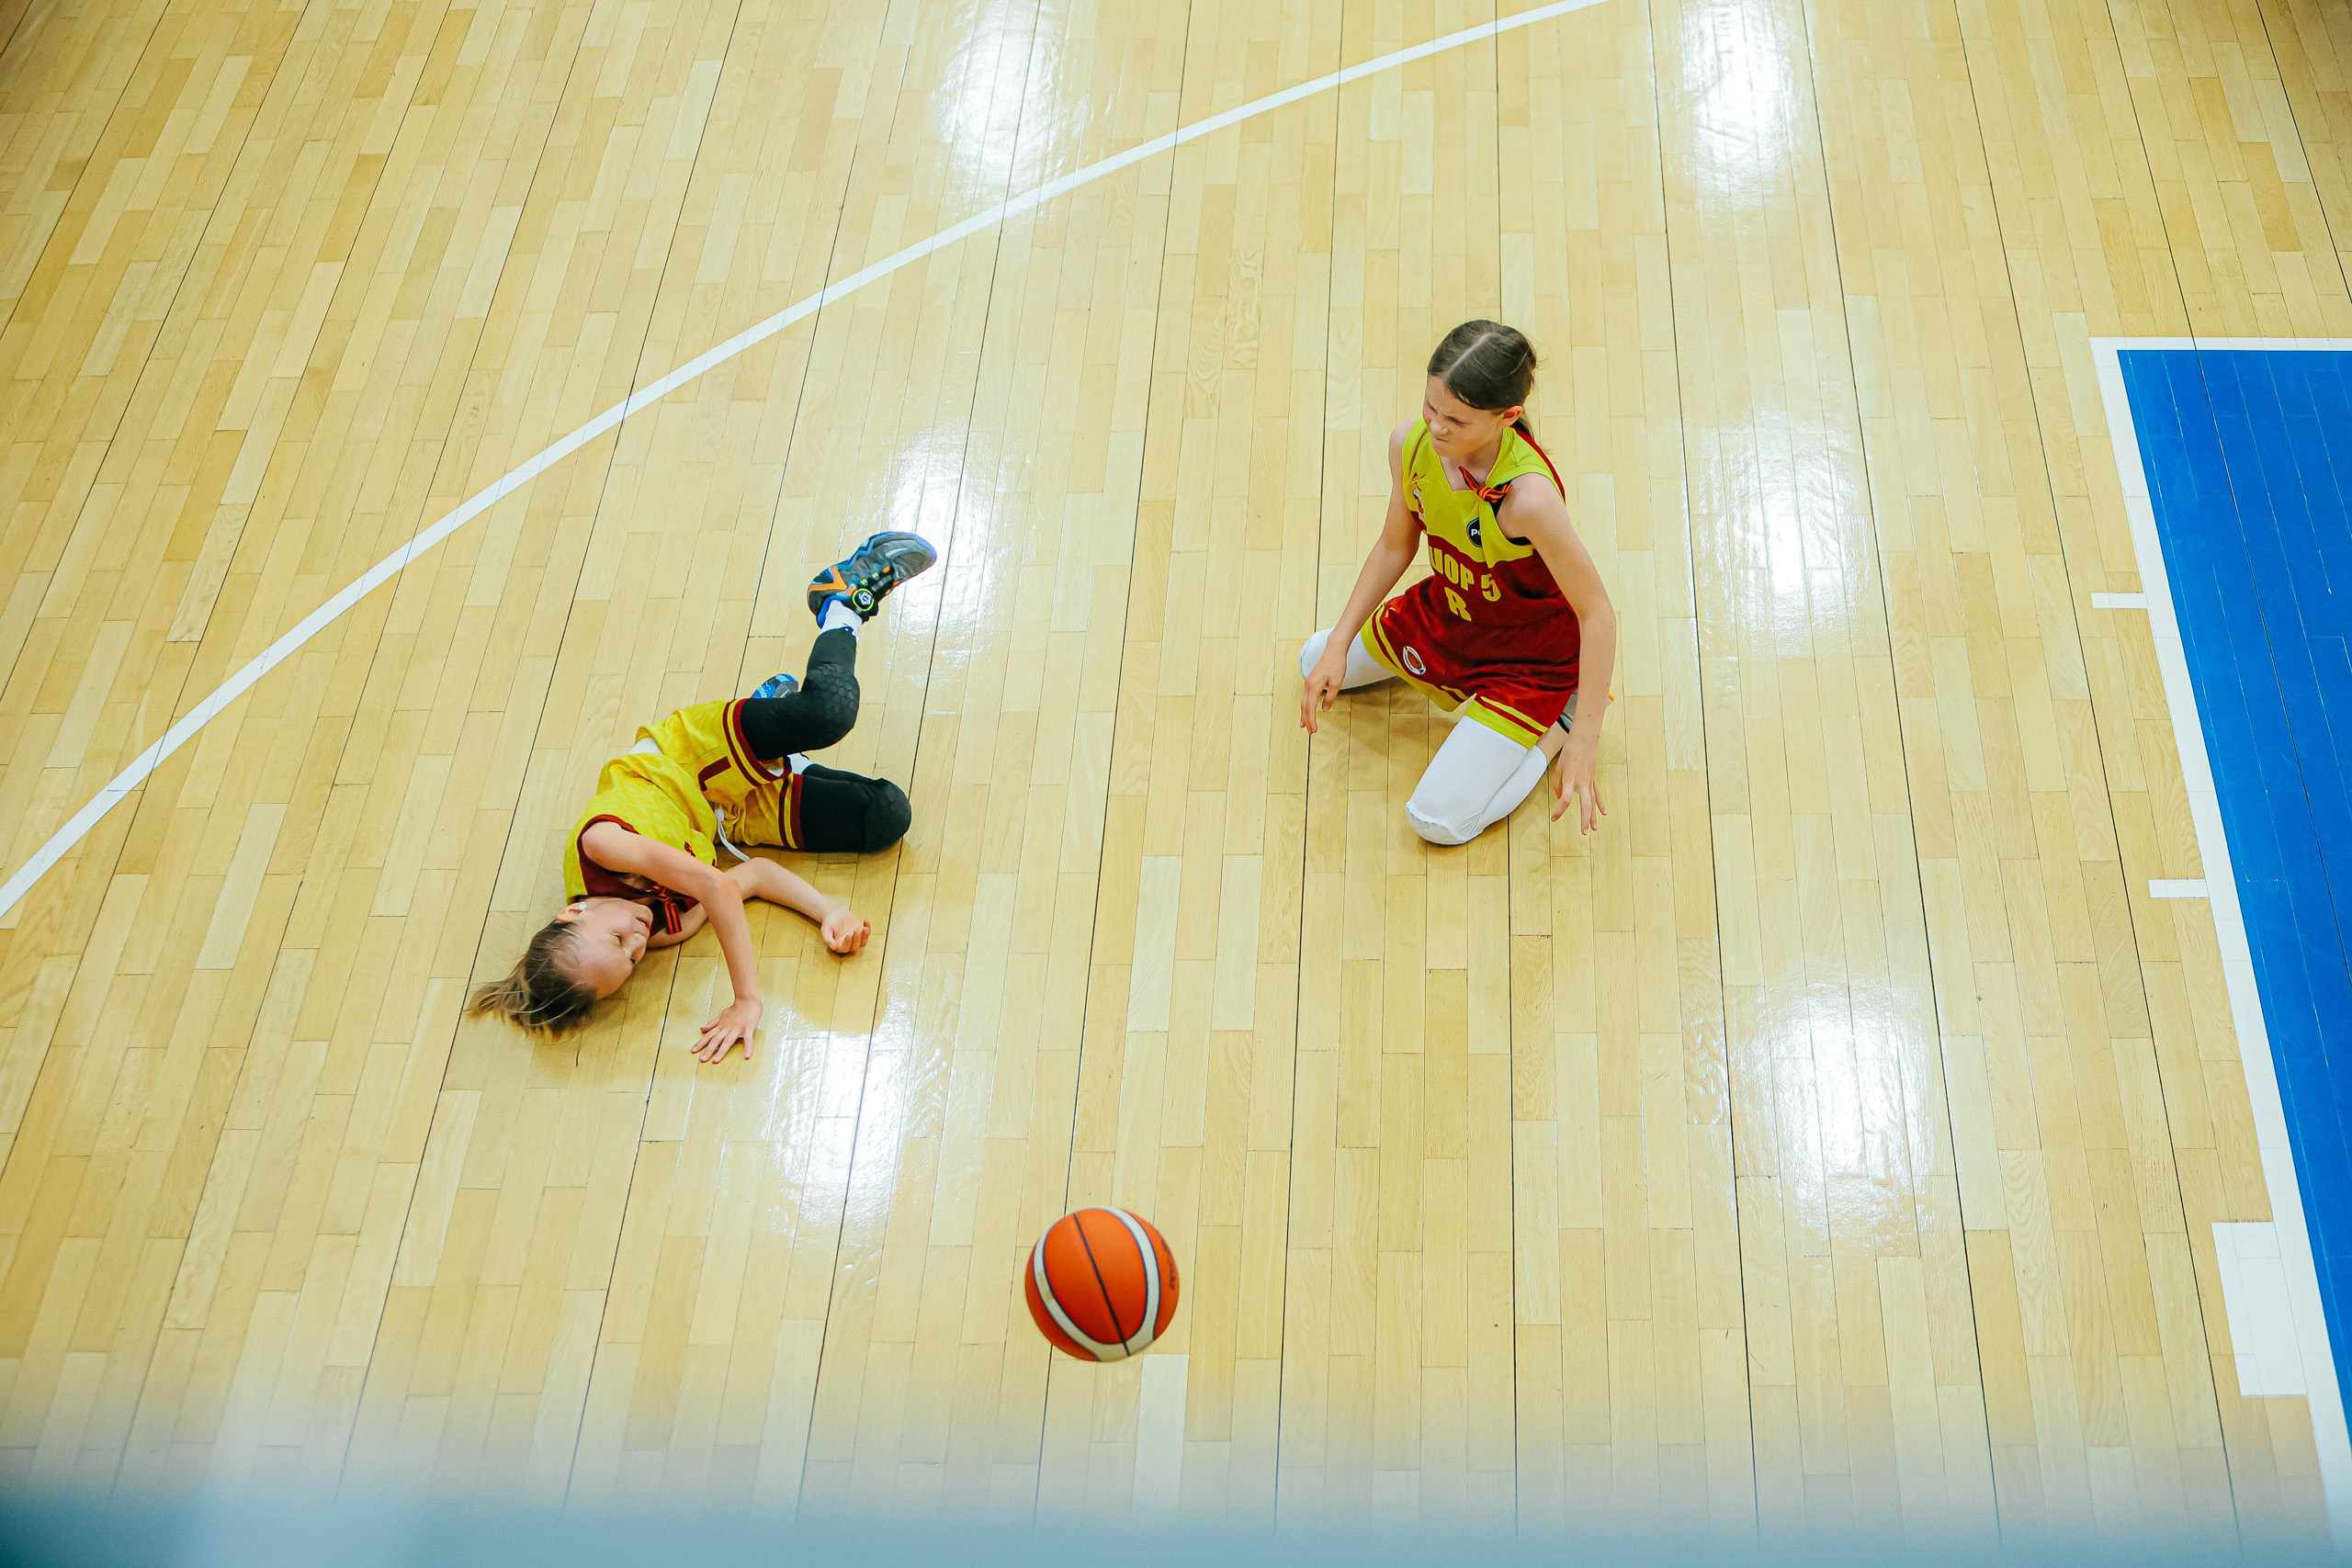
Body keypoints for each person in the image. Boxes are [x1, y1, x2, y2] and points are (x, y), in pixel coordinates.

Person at [469, 532, 938, 1059]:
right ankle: (778, 749)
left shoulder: (600, 847)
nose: (638, 942)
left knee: (829, 712)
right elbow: (752, 877)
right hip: (723, 818)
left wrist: (747, 999)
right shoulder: (663, 930)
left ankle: (840, 602)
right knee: (886, 815)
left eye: (618, 940)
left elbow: (716, 887)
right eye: (631, 962)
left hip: (691, 758)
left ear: (571, 915)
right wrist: (828, 912)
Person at [1300, 321, 1617, 844]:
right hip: (1451, 613)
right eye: (1431, 407)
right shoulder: (1411, 443)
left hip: (1530, 659)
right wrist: (1338, 642)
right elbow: (1394, 546)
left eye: (1456, 420)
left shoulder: (1529, 500)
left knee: (1438, 821)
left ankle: (1557, 723)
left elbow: (1597, 612)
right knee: (1313, 661)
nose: (1436, 428)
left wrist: (1586, 736)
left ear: (1508, 417)